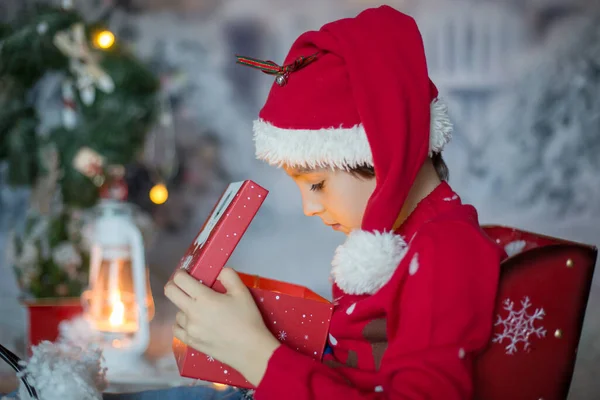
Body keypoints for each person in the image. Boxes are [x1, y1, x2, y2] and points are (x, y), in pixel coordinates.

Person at [3, 5, 505, 400]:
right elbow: (356, 365)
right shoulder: (395, 246)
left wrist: (257, 353)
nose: (310, 208)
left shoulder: (443, 250)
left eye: (317, 183)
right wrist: (262, 331)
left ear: (385, 152)